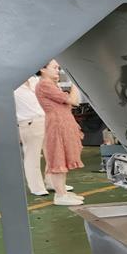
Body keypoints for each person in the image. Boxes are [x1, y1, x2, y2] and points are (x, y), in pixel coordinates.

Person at [35, 60, 84, 206]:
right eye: (55, 67)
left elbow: (70, 102)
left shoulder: (50, 84)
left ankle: (62, 192)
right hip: (57, 125)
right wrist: (75, 83)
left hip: (62, 123)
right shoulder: (44, 84)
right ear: (43, 69)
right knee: (58, 158)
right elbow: (73, 101)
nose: (57, 70)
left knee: (62, 158)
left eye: (58, 67)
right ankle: (60, 195)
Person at [13, 76, 48, 196]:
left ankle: (53, 182)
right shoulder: (11, 86)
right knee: (32, 156)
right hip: (28, 122)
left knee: (52, 155)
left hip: (46, 119)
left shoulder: (35, 81)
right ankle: (36, 187)